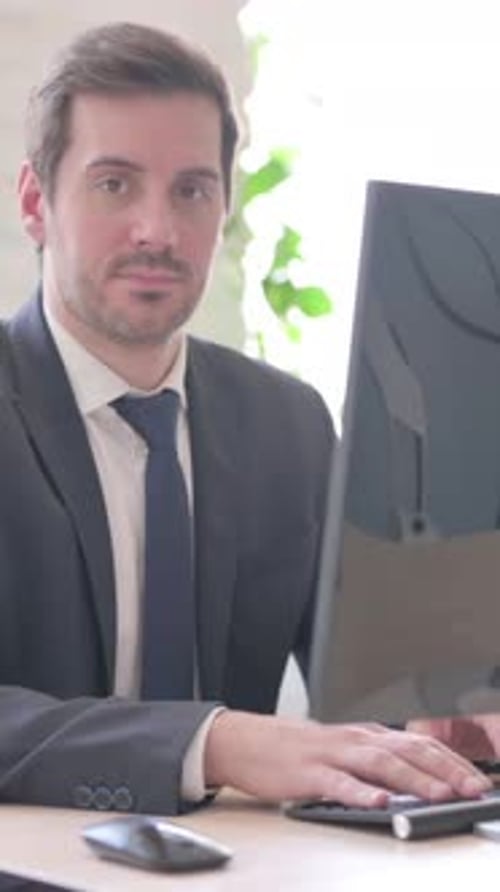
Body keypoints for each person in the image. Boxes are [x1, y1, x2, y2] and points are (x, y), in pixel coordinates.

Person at [0, 20, 491, 817]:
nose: (157, 230)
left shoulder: (287, 424)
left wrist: (436, 718)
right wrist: (217, 741)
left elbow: (360, 691)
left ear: (225, 204)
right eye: (115, 183)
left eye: (192, 189)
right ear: (35, 201)